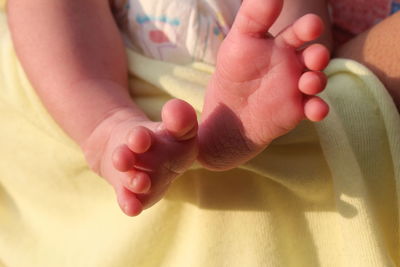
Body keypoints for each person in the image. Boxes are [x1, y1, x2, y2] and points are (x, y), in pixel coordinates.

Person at [6, 0, 330, 216]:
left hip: (239, 39)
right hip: (115, 35)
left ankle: (254, 91)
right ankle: (105, 123)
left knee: (290, 30)